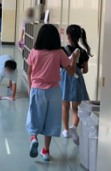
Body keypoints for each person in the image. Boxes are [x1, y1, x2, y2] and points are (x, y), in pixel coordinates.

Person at [26, 25, 78, 161]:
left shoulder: (34, 52)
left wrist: (30, 88)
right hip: (54, 91)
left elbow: (29, 72)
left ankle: (34, 138)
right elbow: (71, 72)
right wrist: (74, 59)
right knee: (50, 120)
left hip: (37, 89)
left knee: (35, 116)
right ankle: (46, 151)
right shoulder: (59, 53)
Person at [61, 24, 92, 145]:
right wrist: (78, 71)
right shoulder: (83, 52)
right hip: (77, 79)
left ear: (68, 36)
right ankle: (73, 126)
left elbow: (60, 65)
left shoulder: (63, 50)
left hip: (65, 77)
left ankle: (66, 131)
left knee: (65, 106)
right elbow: (86, 70)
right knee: (76, 108)